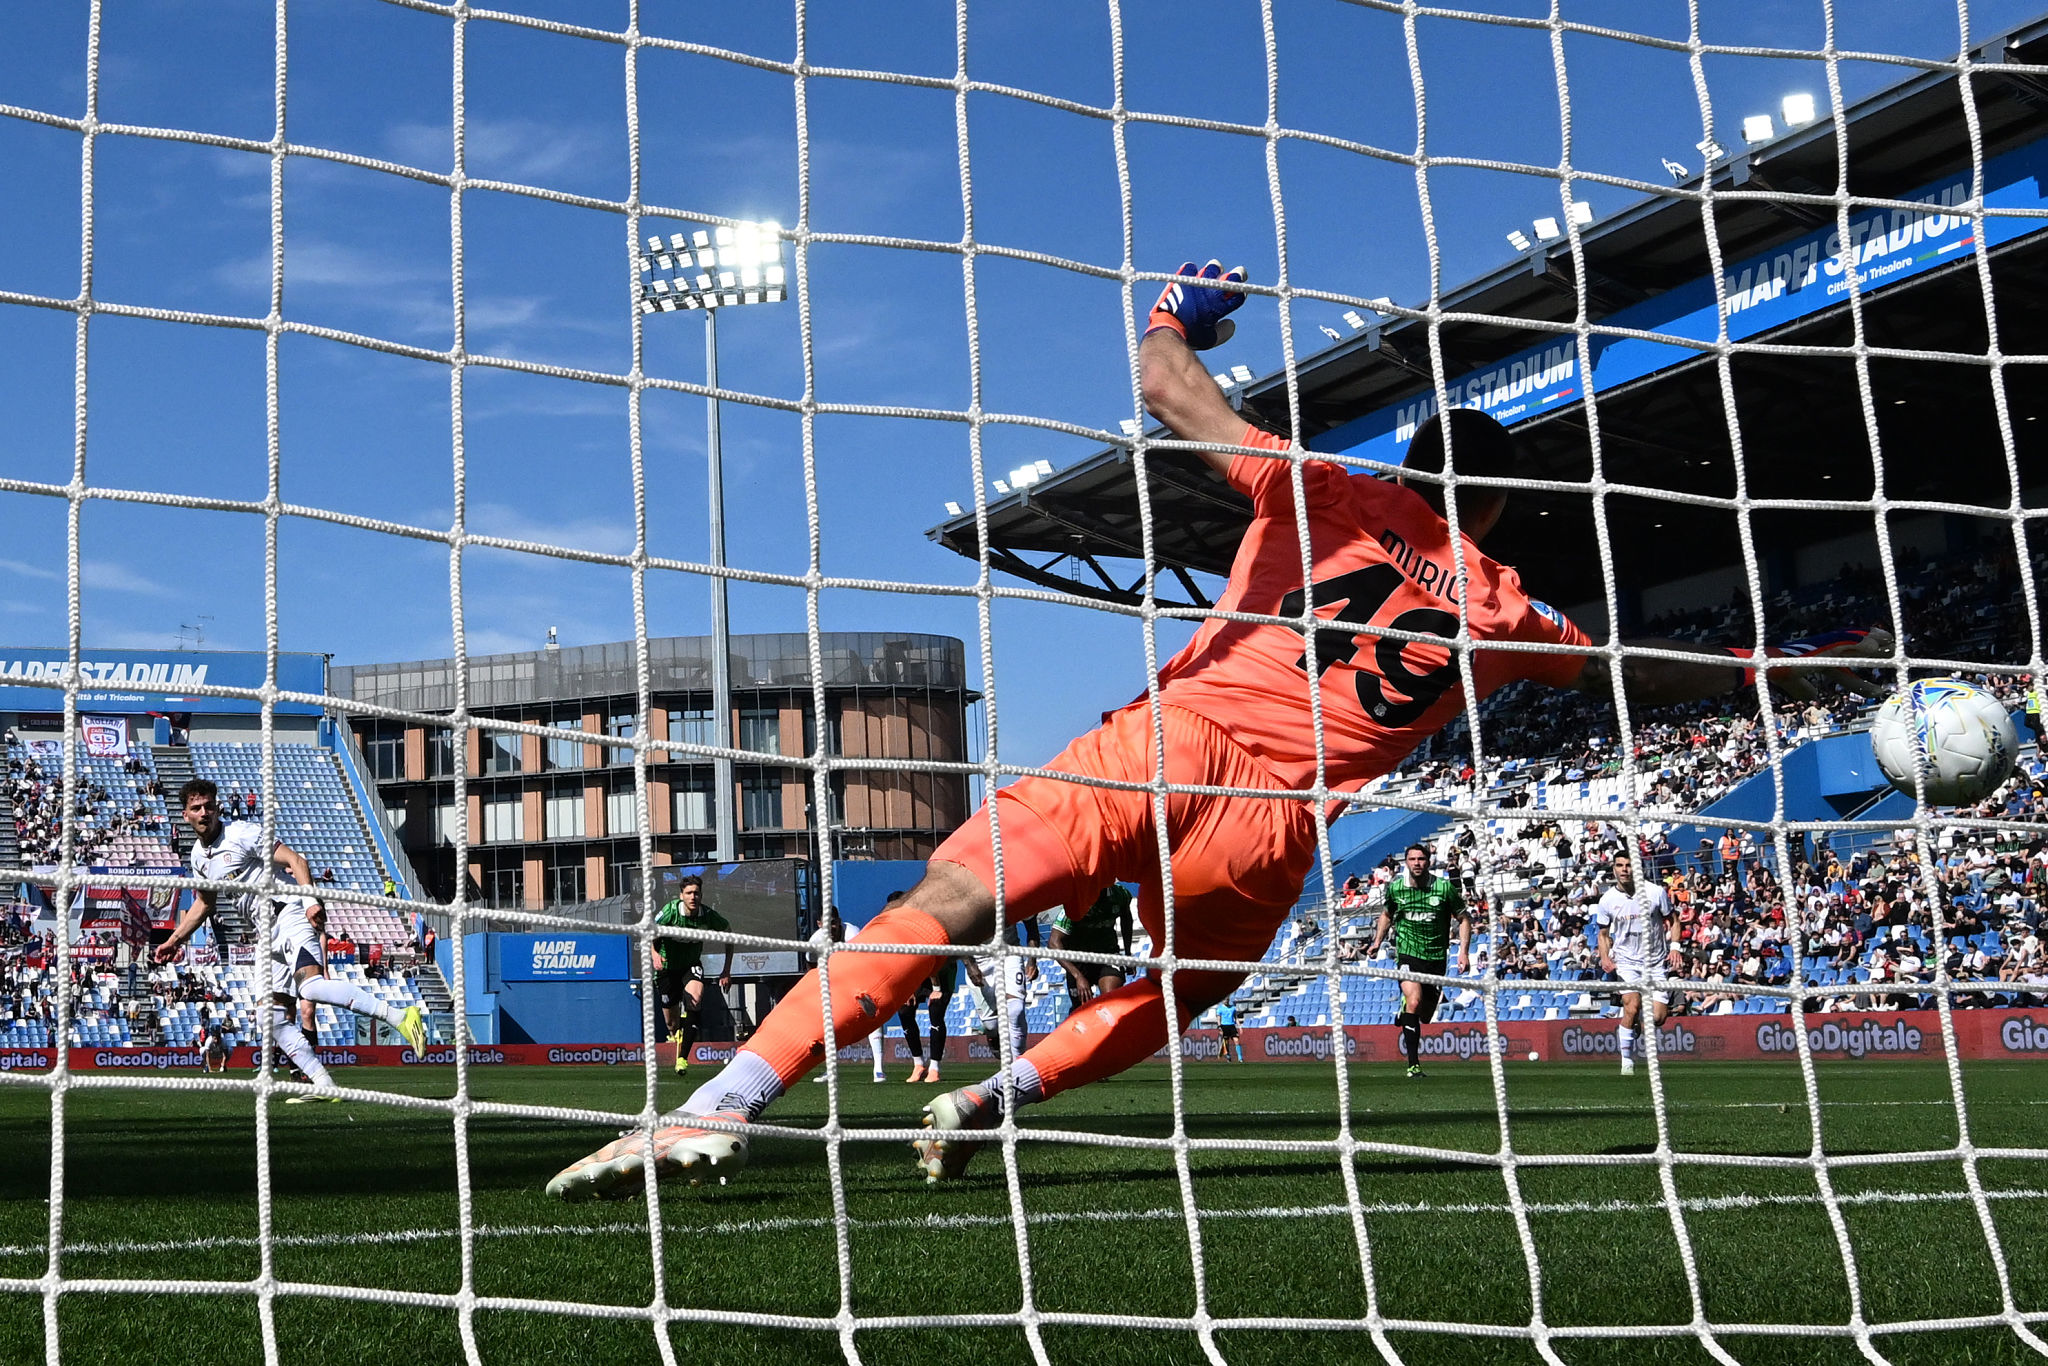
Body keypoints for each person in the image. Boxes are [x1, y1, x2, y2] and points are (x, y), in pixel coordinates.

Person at [545, 258, 1893, 1200]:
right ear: (1499, 514)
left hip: (1172, 741)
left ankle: (723, 1103)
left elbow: (1165, 384)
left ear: (1415, 470)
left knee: (952, 897)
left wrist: (1179, 308)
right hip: (1270, 829)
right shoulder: (1508, 607)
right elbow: (1651, 672)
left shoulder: (1324, 490)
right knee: (1193, 986)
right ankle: (994, 1098)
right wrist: (1790, 662)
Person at [155, 779, 426, 1100]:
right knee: (271, 1018)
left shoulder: (243, 833)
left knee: (310, 988)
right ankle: (324, 1086)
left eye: (209, 807)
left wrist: (311, 901)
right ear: (185, 815)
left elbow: (297, 861)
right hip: (266, 934)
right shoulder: (199, 858)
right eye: (196, 808)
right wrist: (174, 940)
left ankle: (400, 1016)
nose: (204, 813)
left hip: (290, 911)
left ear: (218, 808)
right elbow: (203, 903)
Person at [1363, 843, 1471, 1078]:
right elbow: (1387, 915)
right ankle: (1413, 1065)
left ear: (1429, 861)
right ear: (1406, 863)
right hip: (1408, 954)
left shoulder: (1444, 889)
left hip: (1436, 957)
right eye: (1412, 859)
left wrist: (1464, 952)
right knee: (1413, 1000)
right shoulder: (1396, 888)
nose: (1417, 863)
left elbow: (1464, 919)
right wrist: (1377, 942)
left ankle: (1407, 1012)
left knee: (1424, 1015)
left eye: (1421, 859)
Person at [1596, 852, 1676, 1076]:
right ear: (1614, 869)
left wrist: (1676, 947)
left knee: (1658, 1018)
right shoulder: (1607, 900)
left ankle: (1637, 1024)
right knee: (1630, 1007)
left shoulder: (1655, 892)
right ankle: (1627, 1062)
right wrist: (1605, 957)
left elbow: (1673, 920)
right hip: (1627, 962)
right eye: (1620, 865)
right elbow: (1603, 933)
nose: (1624, 870)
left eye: (1629, 865)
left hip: (1656, 961)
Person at [653, 874, 730, 1075]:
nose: (693, 897)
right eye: (689, 893)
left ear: (701, 895)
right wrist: (654, 955)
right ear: (682, 896)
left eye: (696, 893)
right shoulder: (671, 912)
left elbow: (730, 934)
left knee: (695, 1000)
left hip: (690, 966)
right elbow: (648, 933)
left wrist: (726, 970)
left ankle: (682, 1059)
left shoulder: (708, 916)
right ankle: (675, 1032)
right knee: (671, 1024)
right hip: (667, 969)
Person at [1049, 883, 1135, 1014]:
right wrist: (1077, 976)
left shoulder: (1119, 895)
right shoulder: (1076, 902)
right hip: (1079, 962)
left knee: (1110, 1001)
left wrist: (1128, 954)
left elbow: (1127, 921)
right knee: (1082, 1012)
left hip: (1107, 954)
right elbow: (1053, 943)